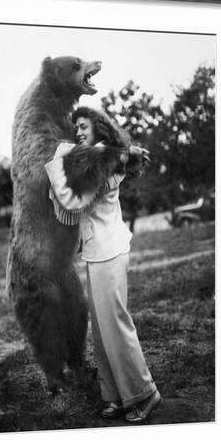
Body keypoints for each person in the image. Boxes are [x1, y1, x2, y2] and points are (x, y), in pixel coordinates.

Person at [44, 106, 160, 422]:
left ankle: (144, 393)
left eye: (83, 126)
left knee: (116, 327)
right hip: (98, 252)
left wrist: (55, 165)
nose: (78, 131)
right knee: (102, 330)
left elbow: (72, 201)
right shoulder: (98, 158)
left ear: (98, 128)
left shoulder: (102, 162)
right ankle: (116, 395)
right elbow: (74, 155)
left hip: (109, 250)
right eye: (76, 127)